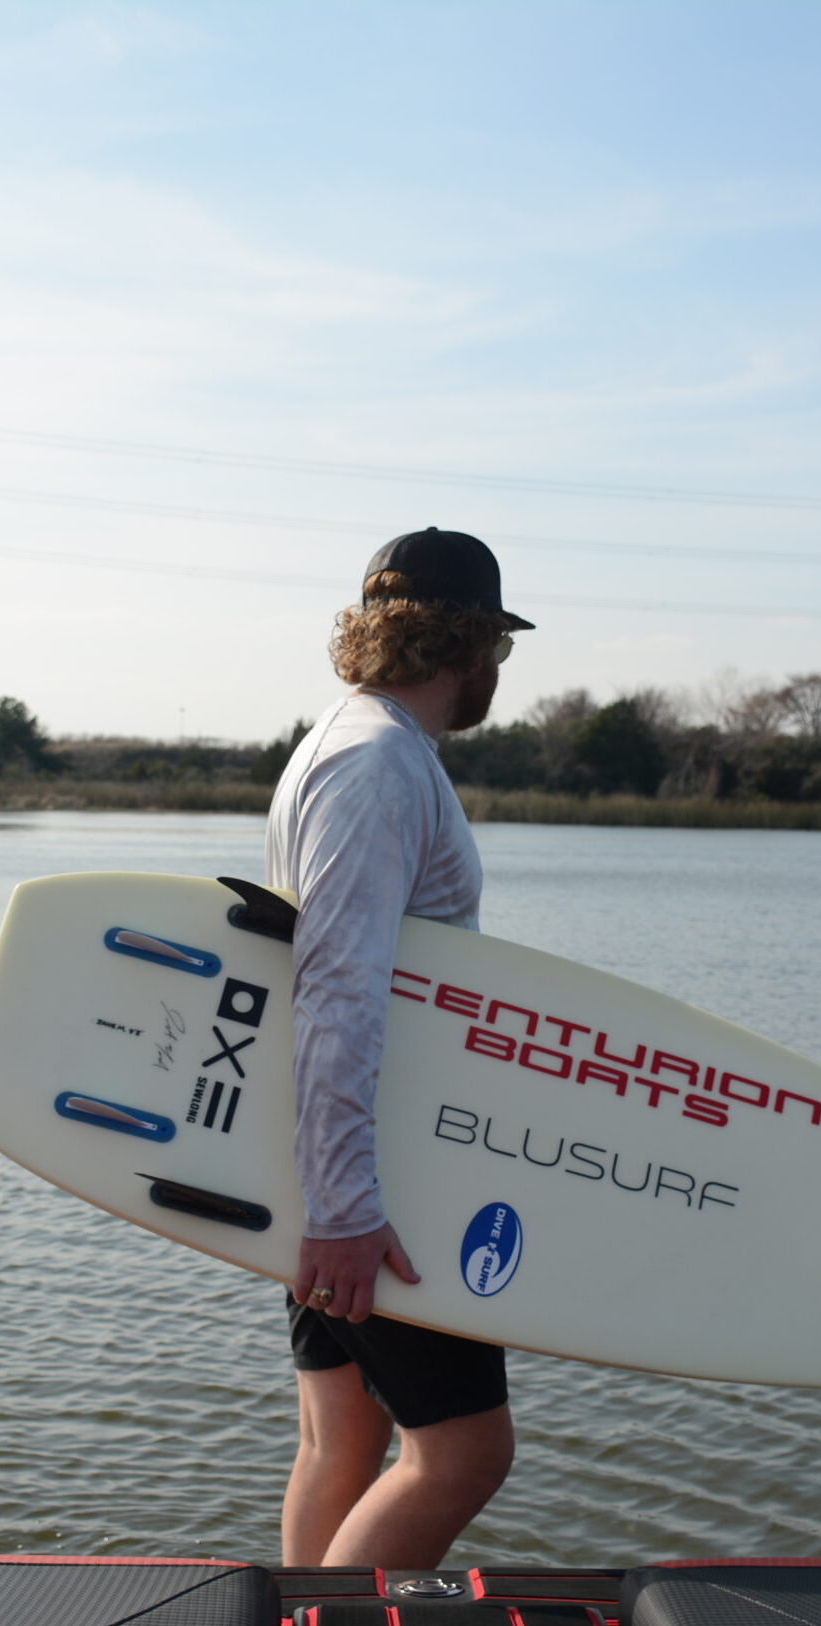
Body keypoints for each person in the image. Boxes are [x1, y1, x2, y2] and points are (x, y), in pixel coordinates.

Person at [265, 527, 533, 1569]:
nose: (498, 674)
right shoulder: (377, 763)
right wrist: (343, 1207)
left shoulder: (350, 741)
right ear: (466, 646)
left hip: (333, 1157)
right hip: (379, 1174)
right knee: (463, 1453)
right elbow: (338, 984)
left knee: (347, 1438)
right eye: (498, 650)